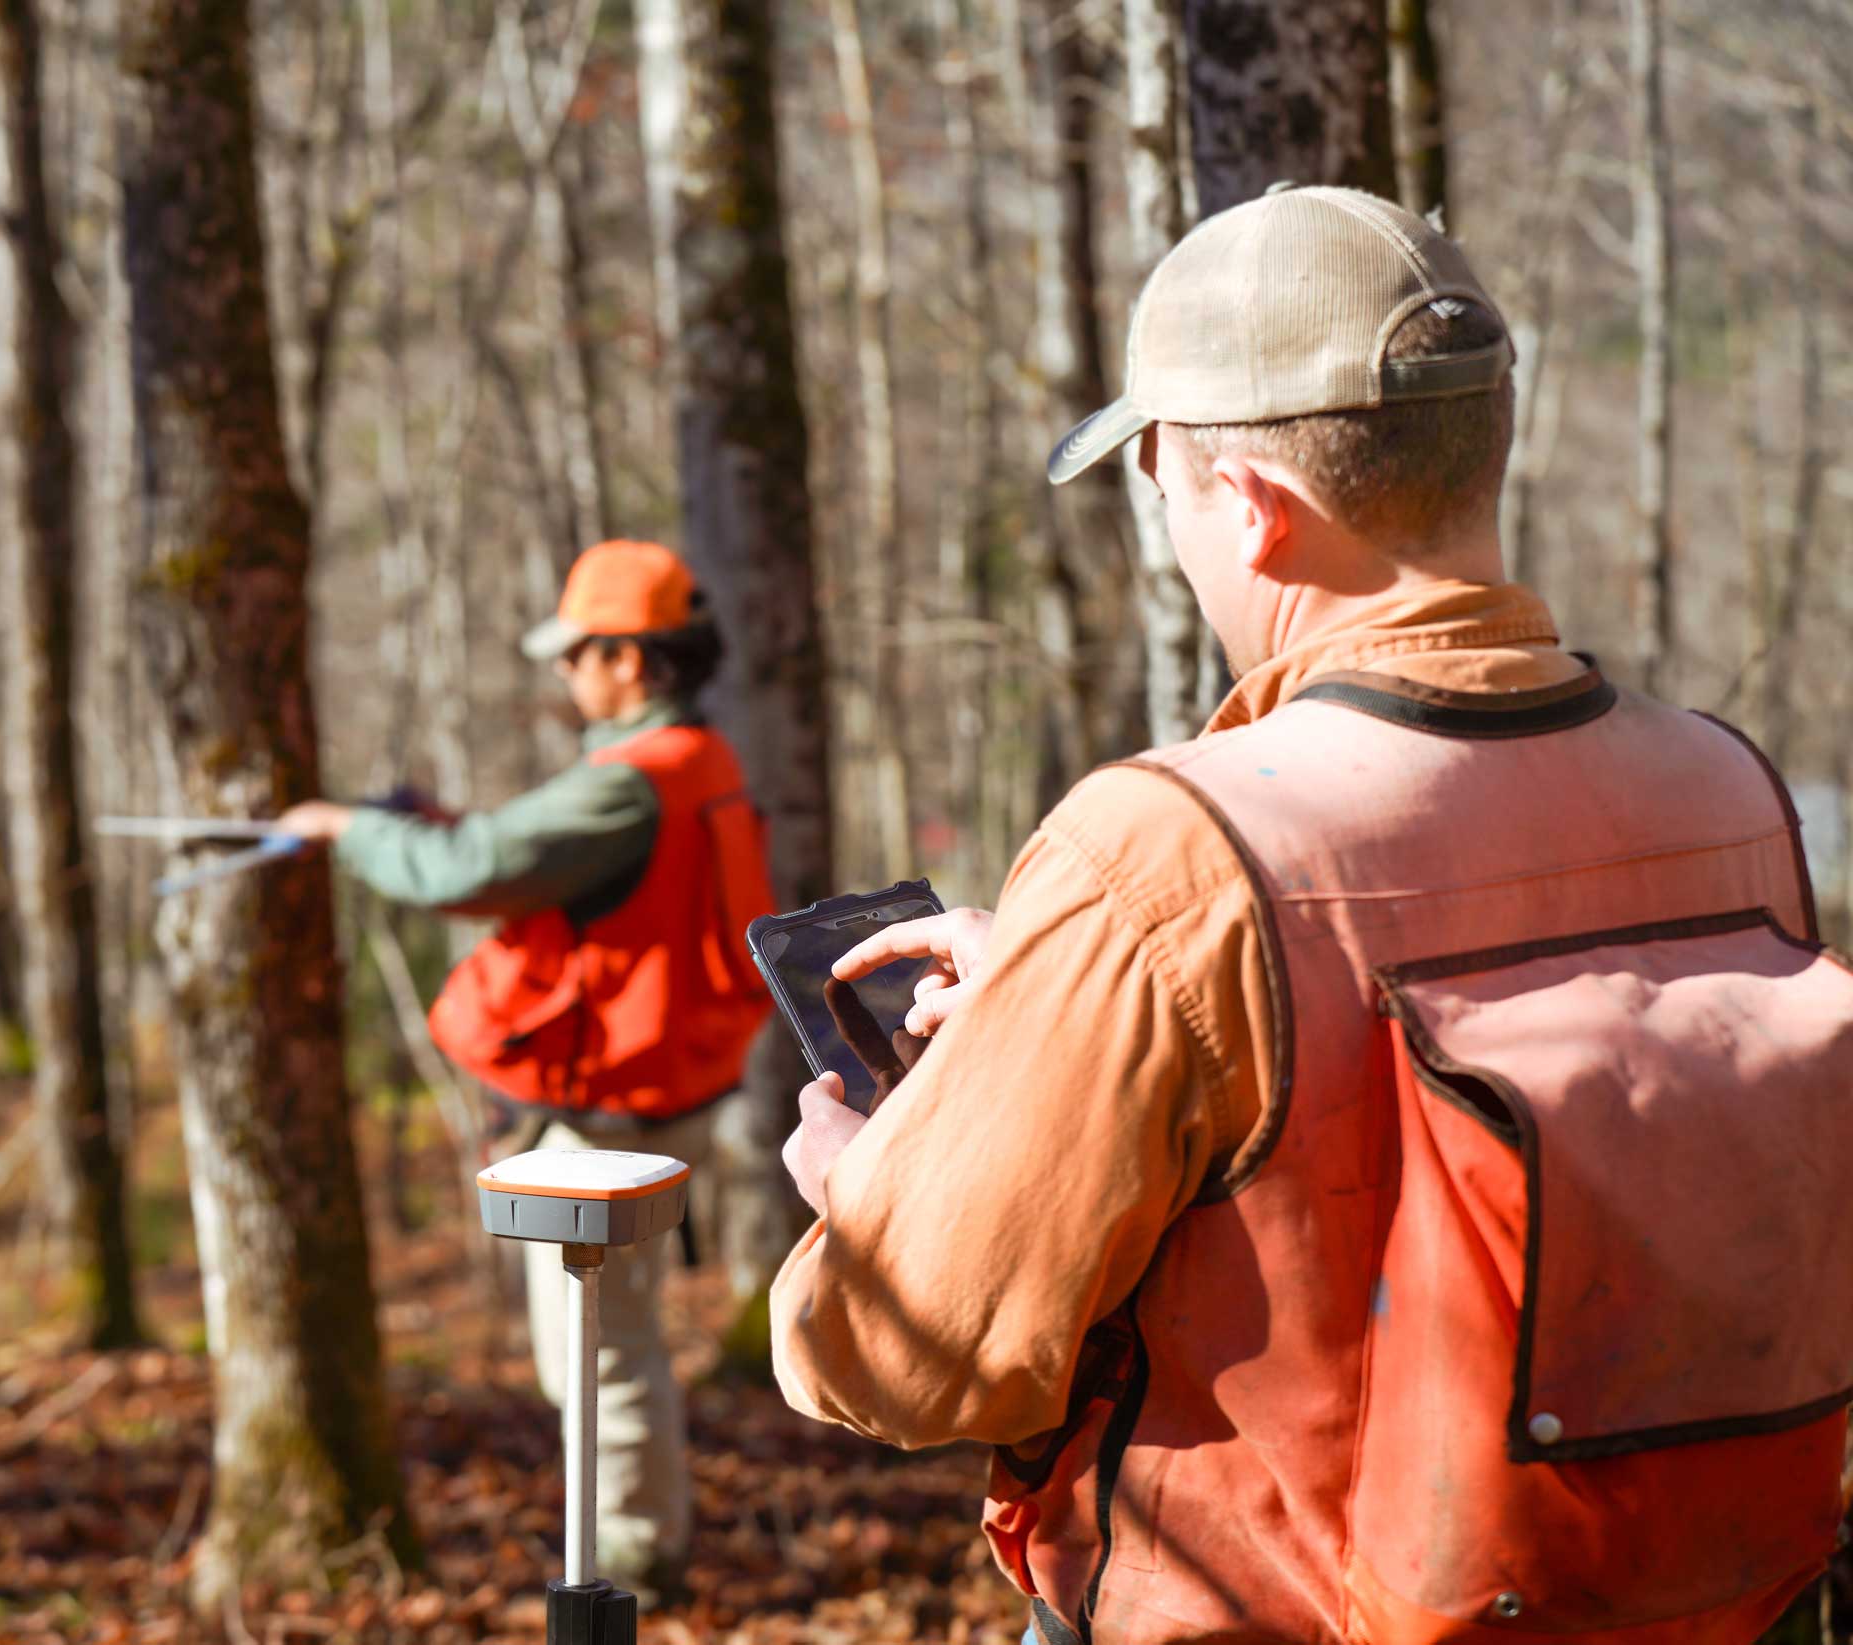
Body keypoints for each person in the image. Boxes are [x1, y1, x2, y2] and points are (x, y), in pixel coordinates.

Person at [768, 186, 1853, 1645]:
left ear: (1255, 511)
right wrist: (1069, 981)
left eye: (1163, 490)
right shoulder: (1726, 791)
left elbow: (913, 1360)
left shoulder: (1166, 852)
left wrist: (872, 1183)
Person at [281, 538, 774, 1602]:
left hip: (608, 1119)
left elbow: (473, 870)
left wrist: (350, 828)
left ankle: (630, 1570)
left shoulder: (632, 783)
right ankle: (645, 1547)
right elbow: (534, 859)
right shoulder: (702, 760)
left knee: (598, 1353)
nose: (564, 675)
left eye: (577, 654)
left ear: (632, 662)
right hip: (673, 1089)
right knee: (617, 1340)